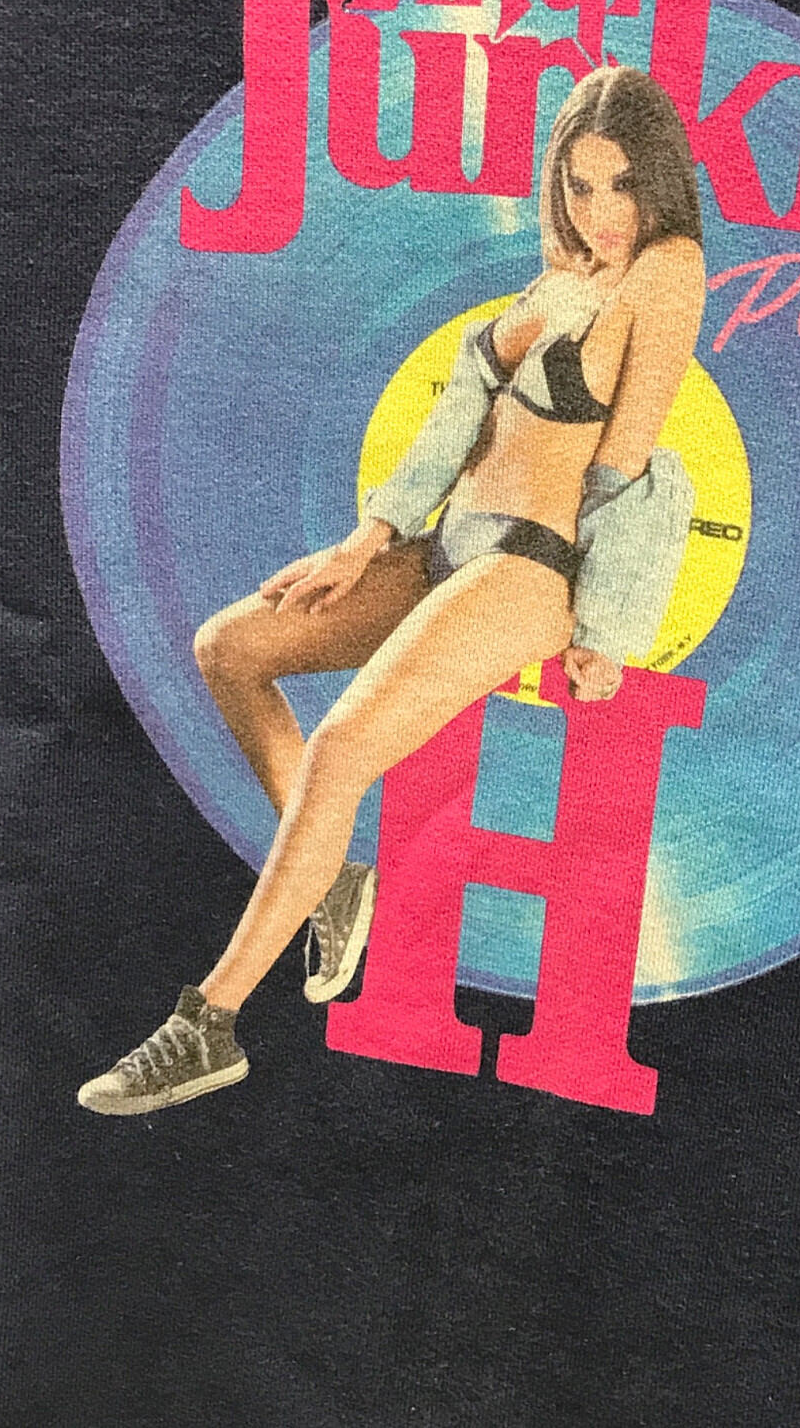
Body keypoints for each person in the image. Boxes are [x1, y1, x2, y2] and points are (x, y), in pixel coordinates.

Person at [77, 64, 706, 1114]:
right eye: (580, 184)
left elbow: (628, 469)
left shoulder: (667, 270)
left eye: (623, 185)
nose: (603, 210)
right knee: (231, 647)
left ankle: (209, 1025)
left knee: (341, 751)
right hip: (444, 542)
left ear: (661, 181)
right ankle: (329, 878)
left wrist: (609, 627)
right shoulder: (565, 272)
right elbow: (464, 407)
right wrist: (365, 540)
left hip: (526, 567)